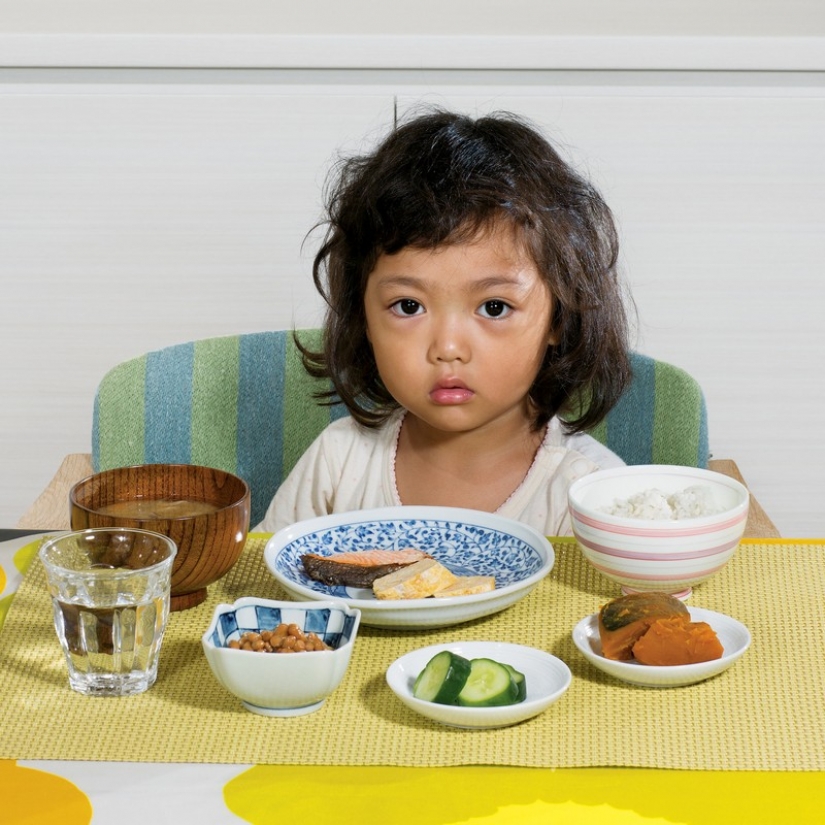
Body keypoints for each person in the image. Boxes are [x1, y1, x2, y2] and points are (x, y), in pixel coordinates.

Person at [256, 109, 632, 536]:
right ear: (363, 317)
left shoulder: (592, 492)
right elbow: (266, 585)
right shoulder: (339, 463)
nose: (448, 347)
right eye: (409, 307)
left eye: (493, 307)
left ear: (558, 319)